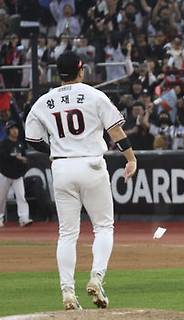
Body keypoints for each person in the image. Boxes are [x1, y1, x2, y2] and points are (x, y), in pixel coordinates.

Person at [24, 51, 137, 310]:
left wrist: (56, 149)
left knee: (67, 234)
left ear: (57, 73)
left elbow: (31, 139)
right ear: (81, 70)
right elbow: (116, 130)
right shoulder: (95, 95)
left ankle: (67, 293)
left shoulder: (45, 101)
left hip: (62, 168)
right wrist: (130, 158)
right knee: (104, 227)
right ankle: (97, 277)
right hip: (91, 164)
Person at [0, 121, 32, 227]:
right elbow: (3, 158)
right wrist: (14, 157)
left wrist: (23, 160)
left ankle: (24, 218)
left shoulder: (20, 144)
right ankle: (0, 218)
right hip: (4, 174)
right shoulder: (3, 143)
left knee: (21, 196)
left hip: (17, 175)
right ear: (8, 131)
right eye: (12, 129)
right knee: (1, 198)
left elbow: (25, 158)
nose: (15, 131)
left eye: (16, 128)